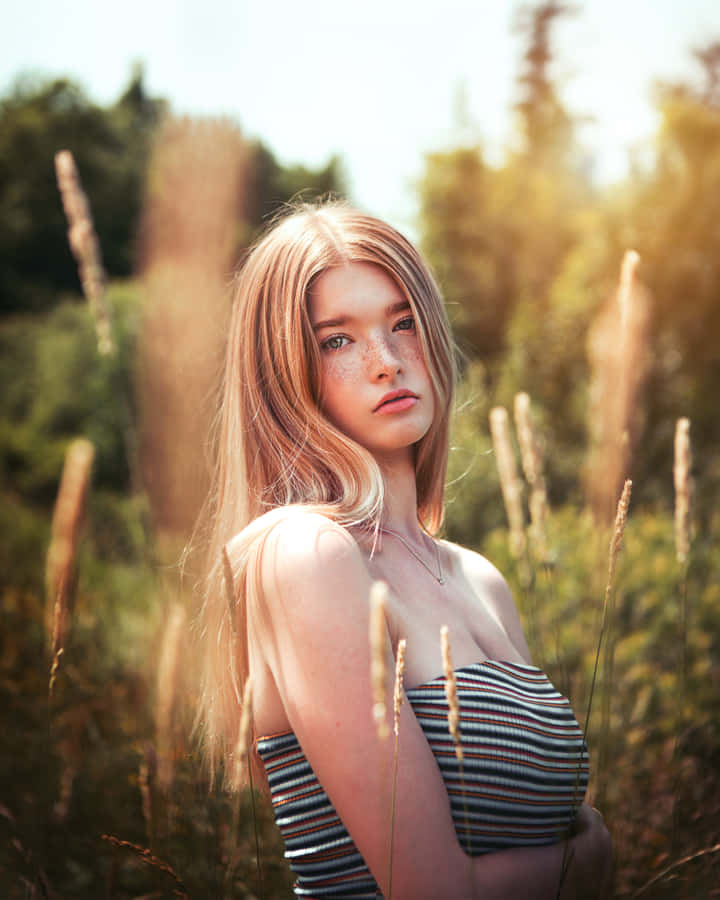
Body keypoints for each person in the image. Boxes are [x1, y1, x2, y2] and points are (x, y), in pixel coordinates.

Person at [195, 201, 613, 899]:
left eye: (402, 322)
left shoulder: (477, 577)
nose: (387, 363)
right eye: (338, 341)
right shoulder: (304, 553)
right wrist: (591, 860)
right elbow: (432, 892)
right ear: (281, 373)